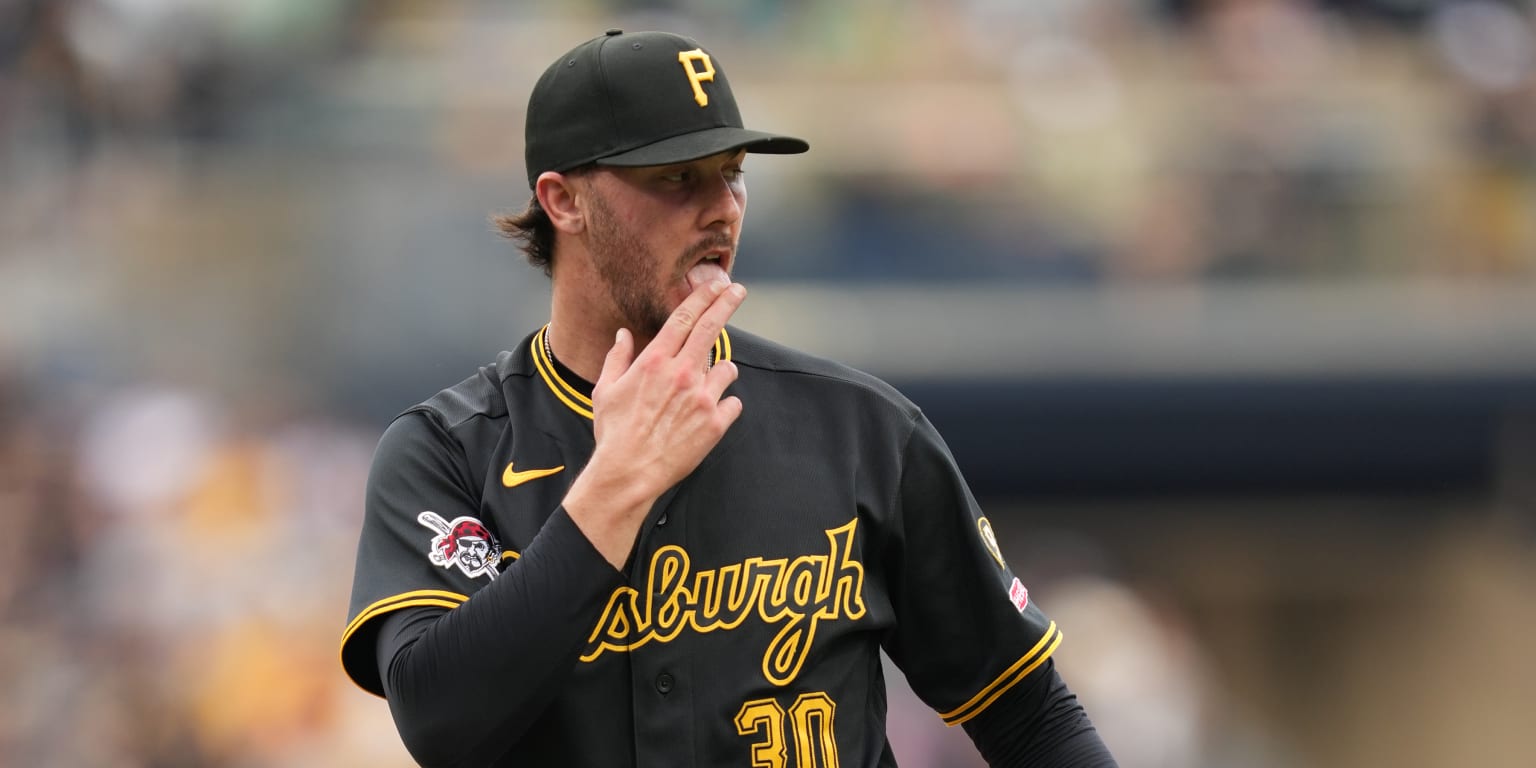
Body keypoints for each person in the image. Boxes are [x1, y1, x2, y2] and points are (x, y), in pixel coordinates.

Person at [341, 28, 1118, 768]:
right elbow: (442, 722)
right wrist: (617, 485)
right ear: (563, 200)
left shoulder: (862, 431)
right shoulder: (446, 451)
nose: (722, 207)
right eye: (676, 177)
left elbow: (1030, 715)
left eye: (733, 170)